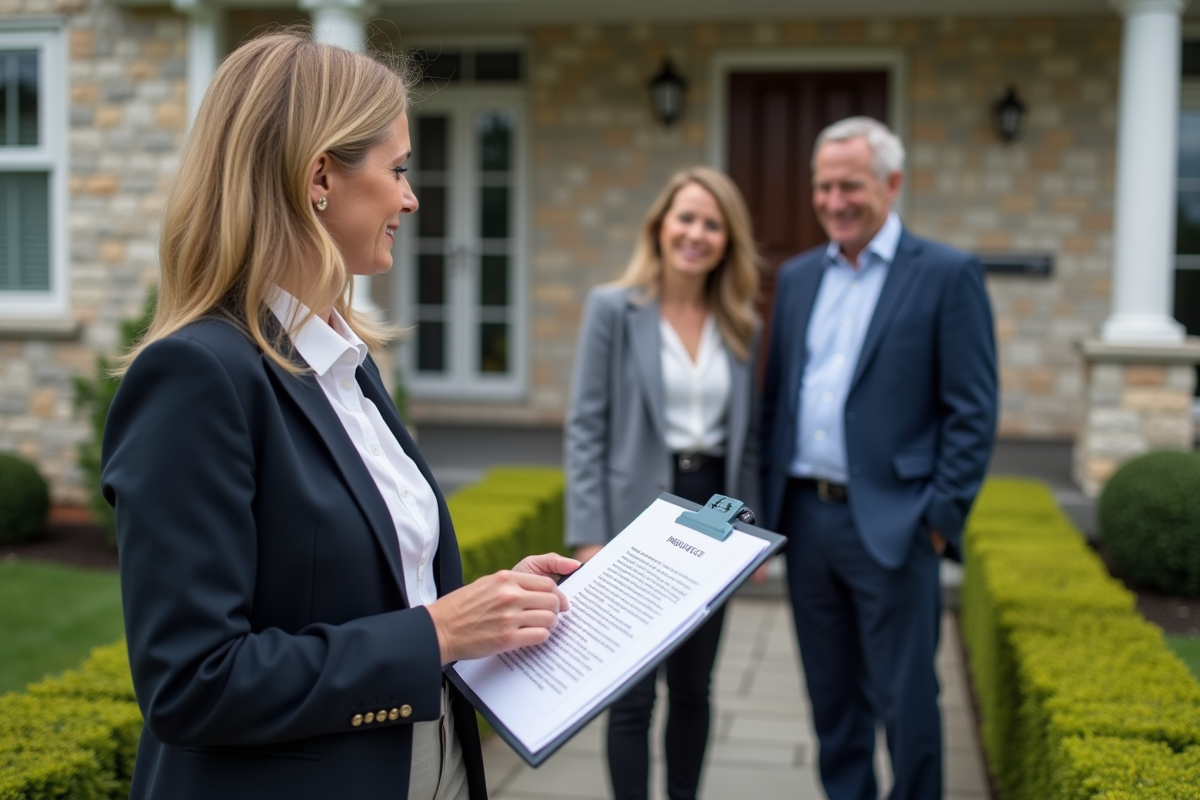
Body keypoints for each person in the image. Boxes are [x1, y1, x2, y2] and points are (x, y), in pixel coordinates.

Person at [100, 31, 578, 800]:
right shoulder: (198, 376)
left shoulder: (344, 362)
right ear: (320, 176)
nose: (410, 199)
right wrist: (440, 631)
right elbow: (192, 683)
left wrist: (488, 610)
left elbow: (360, 590)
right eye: (399, 169)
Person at [759, 116, 998, 800]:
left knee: (907, 699)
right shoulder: (798, 277)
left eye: (850, 186)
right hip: (806, 521)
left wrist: (937, 520)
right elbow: (778, 399)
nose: (834, 201)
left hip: (897, 524)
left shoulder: (947, 274)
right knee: (832, 701)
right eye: (823, 186)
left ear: (891, 184)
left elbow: (973, 411)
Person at [564, 167, 762, 800]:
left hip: (716, 513)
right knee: (631, 692)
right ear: (661, 226)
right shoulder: (612, 309)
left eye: (712, 224)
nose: (696, 234)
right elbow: (586, 428)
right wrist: (589, 534)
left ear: (727, 241)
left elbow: (749, 439)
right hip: (636, 511)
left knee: (694, 687)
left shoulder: (741, 323)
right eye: (686, 218)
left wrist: (753, 535)